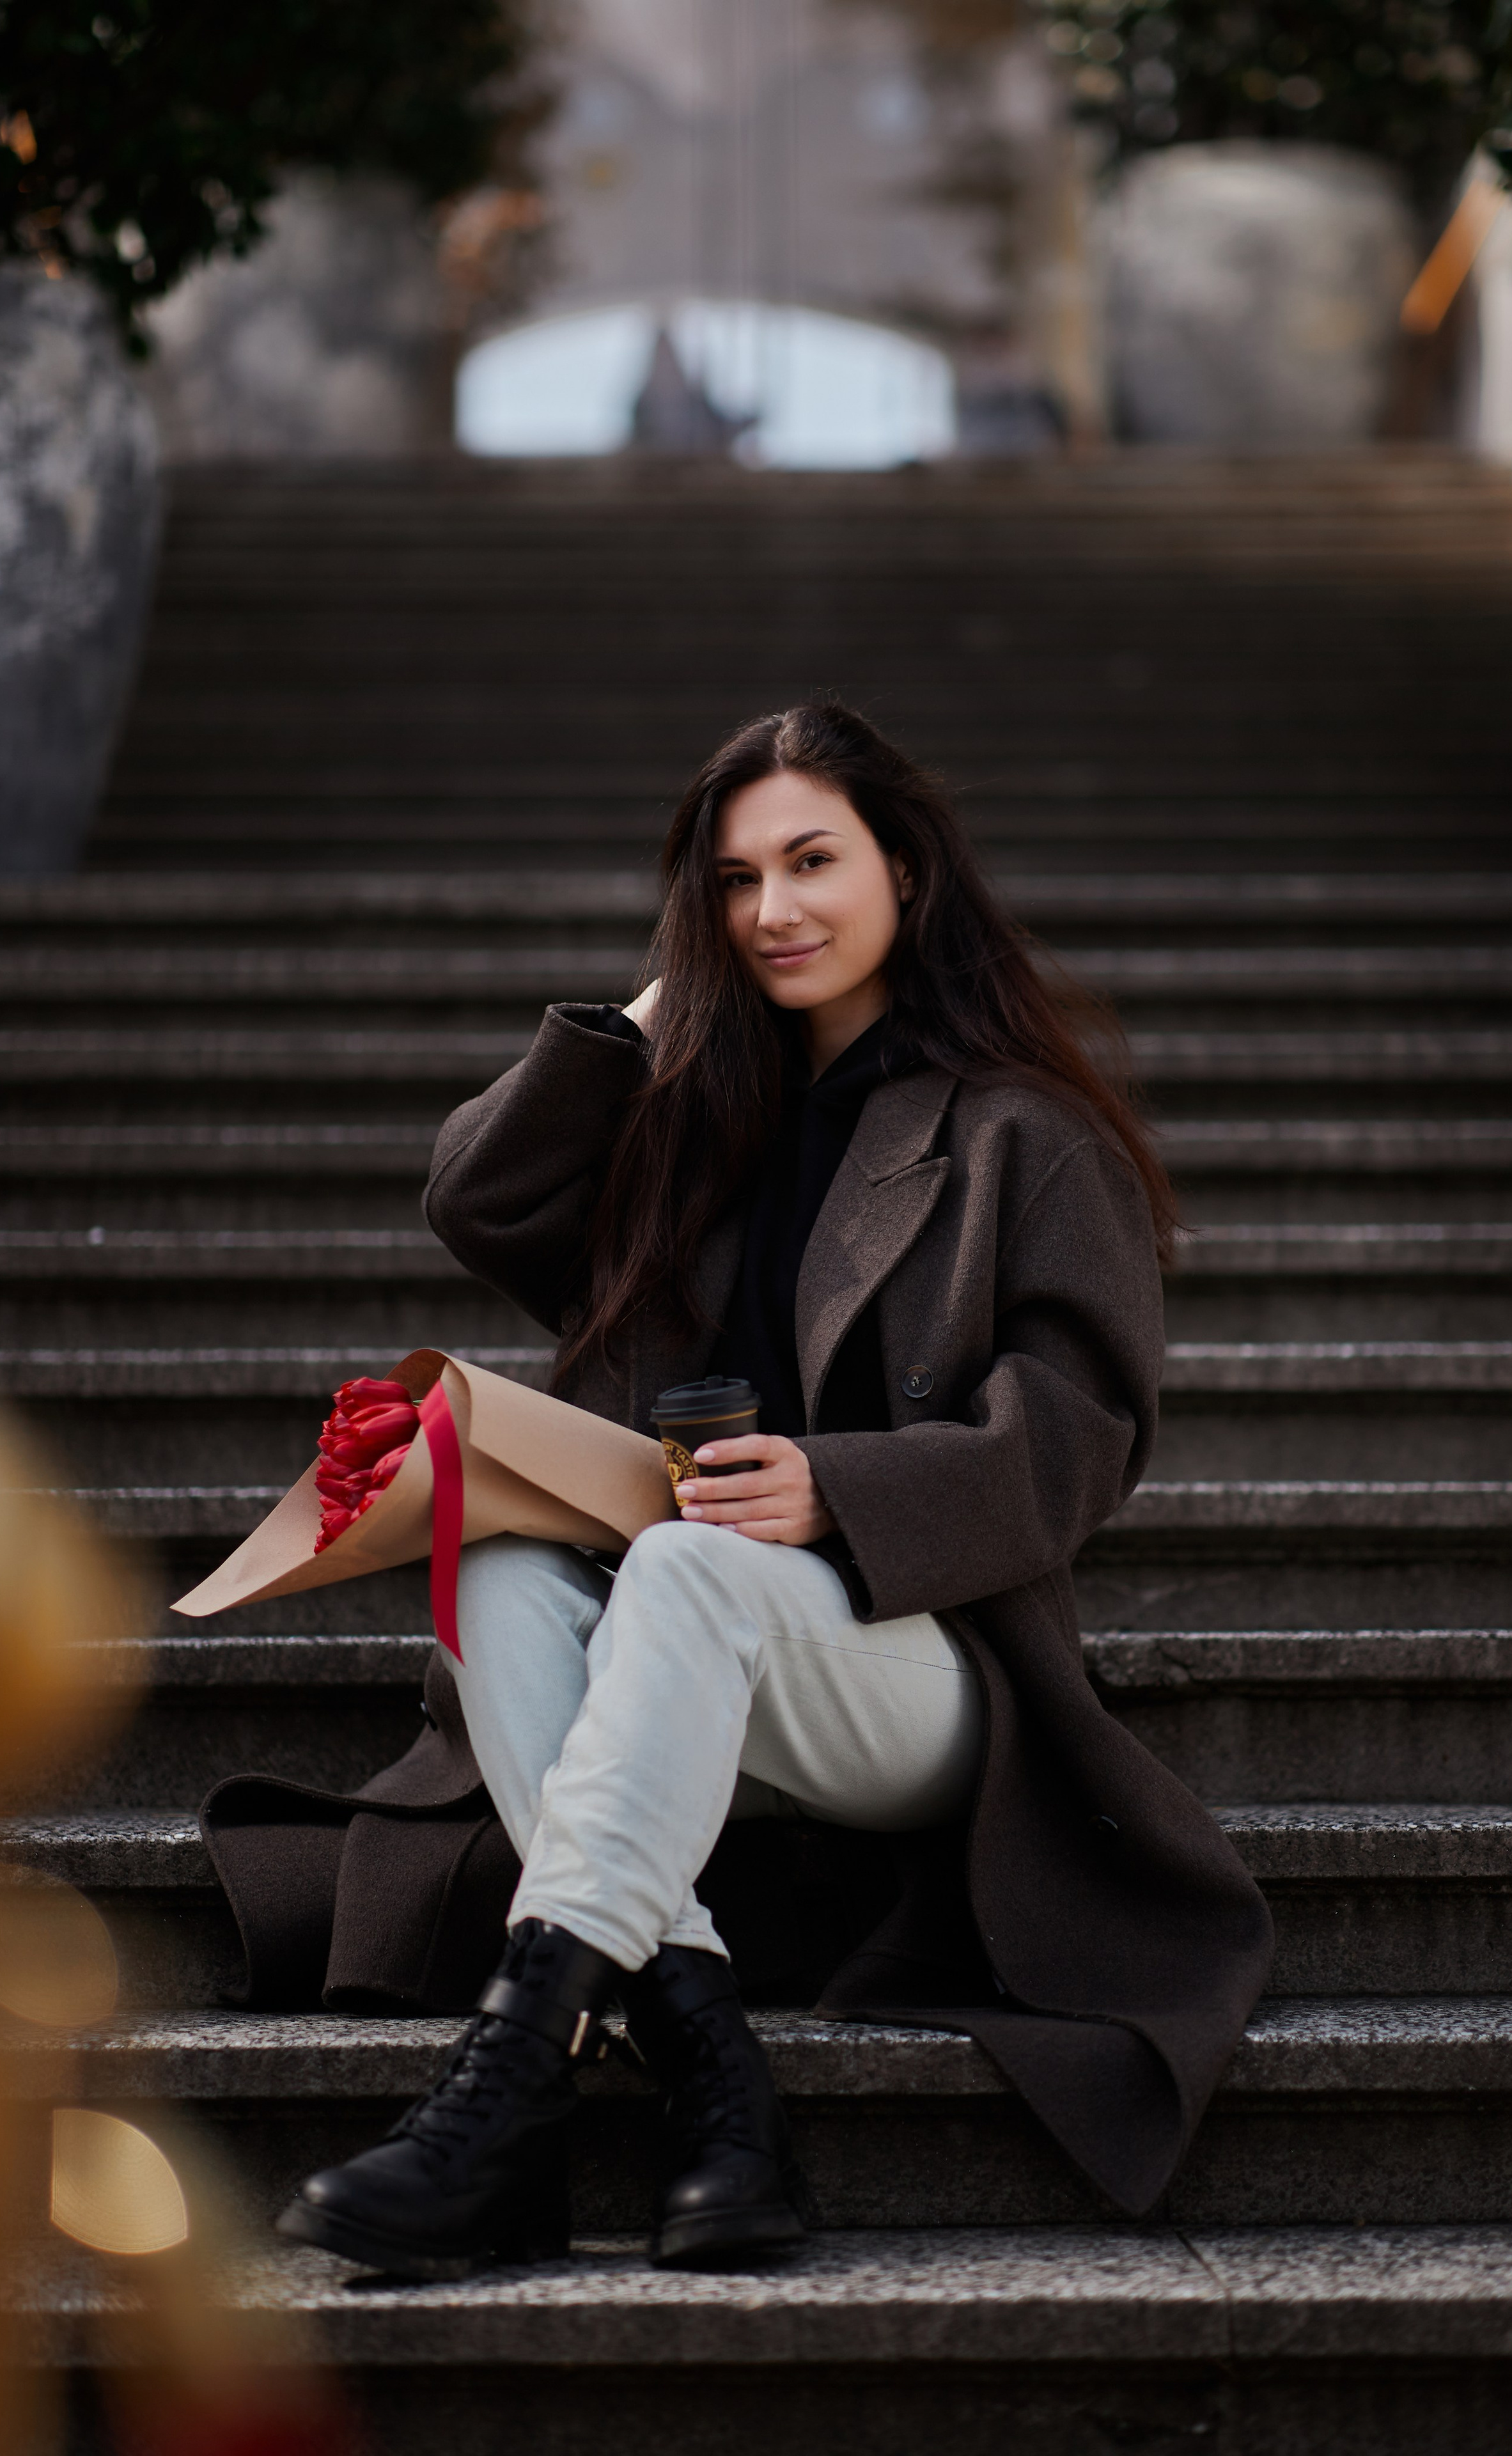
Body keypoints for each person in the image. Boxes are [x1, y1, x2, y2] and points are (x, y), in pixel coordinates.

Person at [276, 701, 1272, 2281]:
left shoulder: (1027, 1135)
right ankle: (711, 2086)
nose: (774, 911)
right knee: (497, 1557)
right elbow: (478, 1199)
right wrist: (641, 1017)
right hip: (683, 1661)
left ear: (907, 874)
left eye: (813, 862)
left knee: (682, 1570)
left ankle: (509, 2084)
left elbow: (1077, 1440)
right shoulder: (690, 1131)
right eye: (734, 881)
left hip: (922, 1673)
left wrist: (841, 1491)